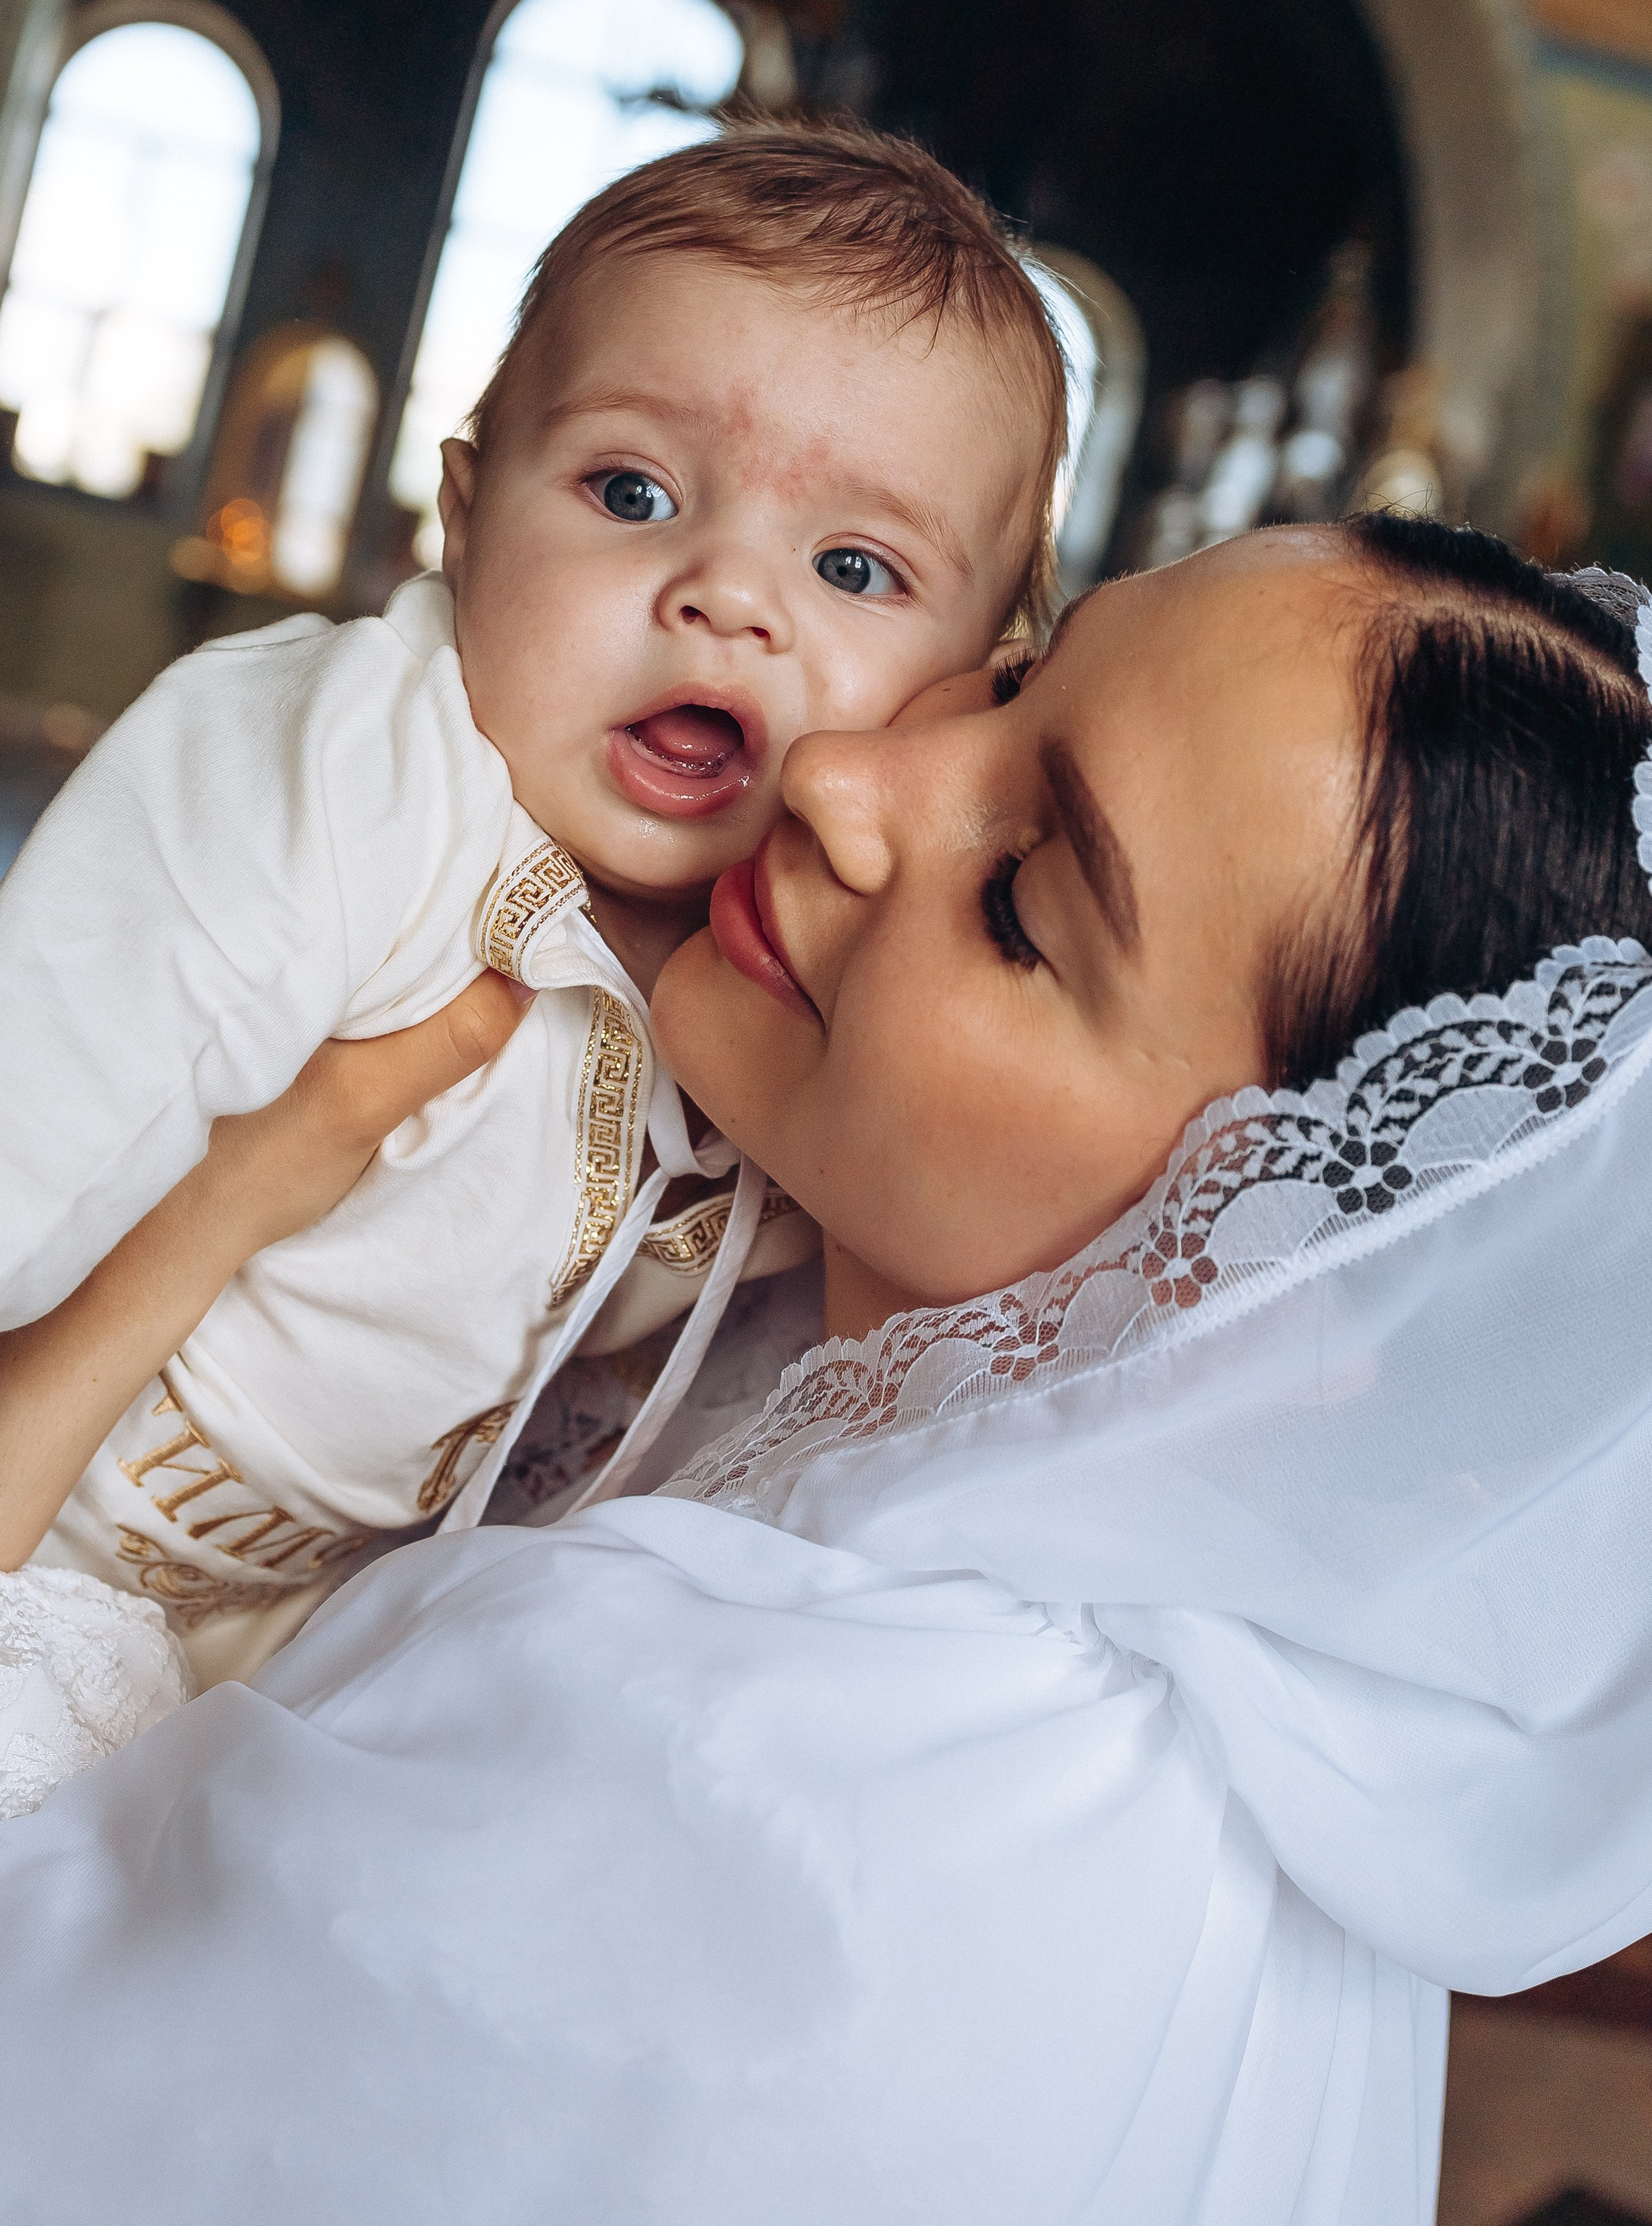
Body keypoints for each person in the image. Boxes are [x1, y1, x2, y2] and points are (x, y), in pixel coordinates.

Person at [5, 515, 1652, 2226]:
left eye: (1018, 902)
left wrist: (235, 1204)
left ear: (1291, 1280)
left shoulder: (738, 1771)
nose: (850, 779)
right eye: (1016, 673)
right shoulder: (1179, 1692)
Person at [0, 125, 1068, 1687]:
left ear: (981, 673)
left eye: (853, 566)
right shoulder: (345, 772)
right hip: (50, 1523)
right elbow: (51, 1092)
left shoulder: (834, 992)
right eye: (631, 490)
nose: (727, 591)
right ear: (466, 509)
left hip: (292, 1640)